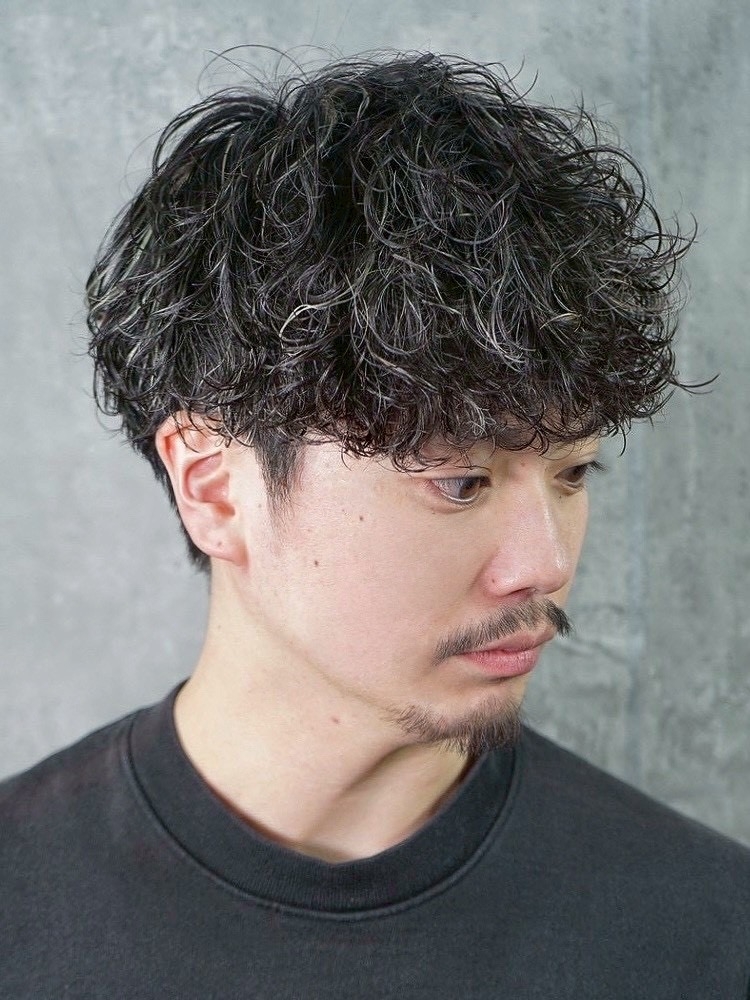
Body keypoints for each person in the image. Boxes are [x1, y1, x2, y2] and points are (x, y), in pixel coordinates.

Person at [1, 51, 748, 998]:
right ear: (216, 487)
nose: (546, 564)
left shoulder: (706, 935)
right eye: (461, 483)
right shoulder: (22, 910)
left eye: (573, 473)